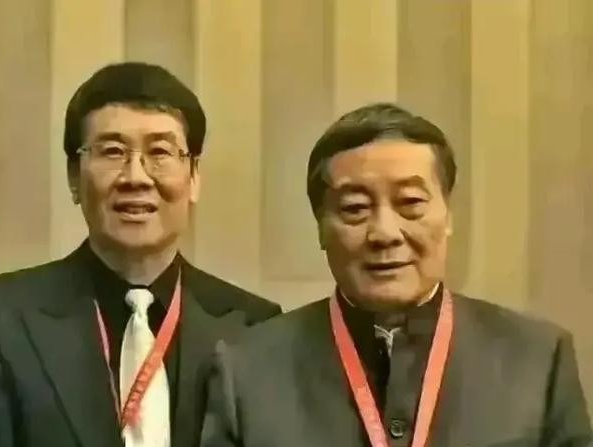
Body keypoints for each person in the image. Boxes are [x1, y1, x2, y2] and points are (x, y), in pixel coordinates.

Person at [201, 103, 592, 447]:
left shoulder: (537, 360)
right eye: (355, 208)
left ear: (447, 215)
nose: (385, 233)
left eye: (410, 203)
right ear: (321, 227)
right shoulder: (246, 370)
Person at [0, 62, 281, 447]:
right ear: (74, 176)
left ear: (194, 177)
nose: (135, 176)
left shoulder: (255, 329)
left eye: (160, 151)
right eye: (112, 151)